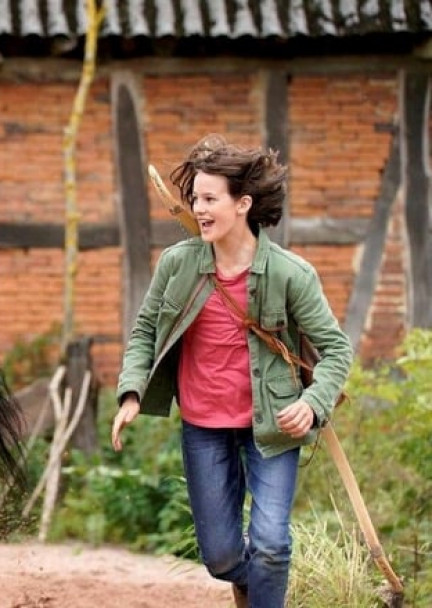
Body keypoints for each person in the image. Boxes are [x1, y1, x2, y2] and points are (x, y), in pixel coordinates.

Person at [109, 135, 353, 608]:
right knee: (221, 557)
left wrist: (312, 402)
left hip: (273, 427)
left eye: (209, 199)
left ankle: (264, 582)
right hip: (204, 426)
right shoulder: (178, 265)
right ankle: (254, 580)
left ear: (243, 204)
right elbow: (144, 332)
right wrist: (132, 392)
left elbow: (336, 350)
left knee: (272, 545)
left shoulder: (291, 274)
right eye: (195, 199)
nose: (198, 209)